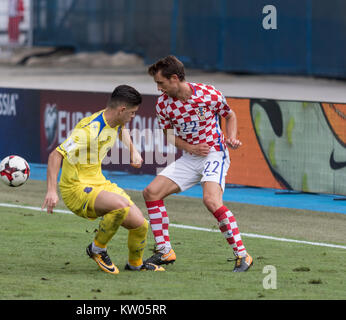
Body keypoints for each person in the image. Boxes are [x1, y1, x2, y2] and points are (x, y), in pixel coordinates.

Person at [143, 55, 253, 272]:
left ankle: (243, 255)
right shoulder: (163, 104)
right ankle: (165, 251)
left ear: (174, 78)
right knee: (151, 192)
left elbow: (229, 115)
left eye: (160, 83)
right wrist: (190, 148)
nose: (158, 88)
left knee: (211, 200)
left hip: (215, 154)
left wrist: (230, 137)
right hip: (190, 157)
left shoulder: (208, 94)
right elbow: (169, 135)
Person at [42, 85, 165, 274]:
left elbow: (121, 128)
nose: (133, 117)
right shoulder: (89, 130)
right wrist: (51, 191)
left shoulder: (114, 119)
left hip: (99, 182)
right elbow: (55, 155)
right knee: (121, 206)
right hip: (76, 188)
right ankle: (97, 249)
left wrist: (133, 151)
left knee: (140, 225)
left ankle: (135, 264)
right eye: (132, 113)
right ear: (122, 109)